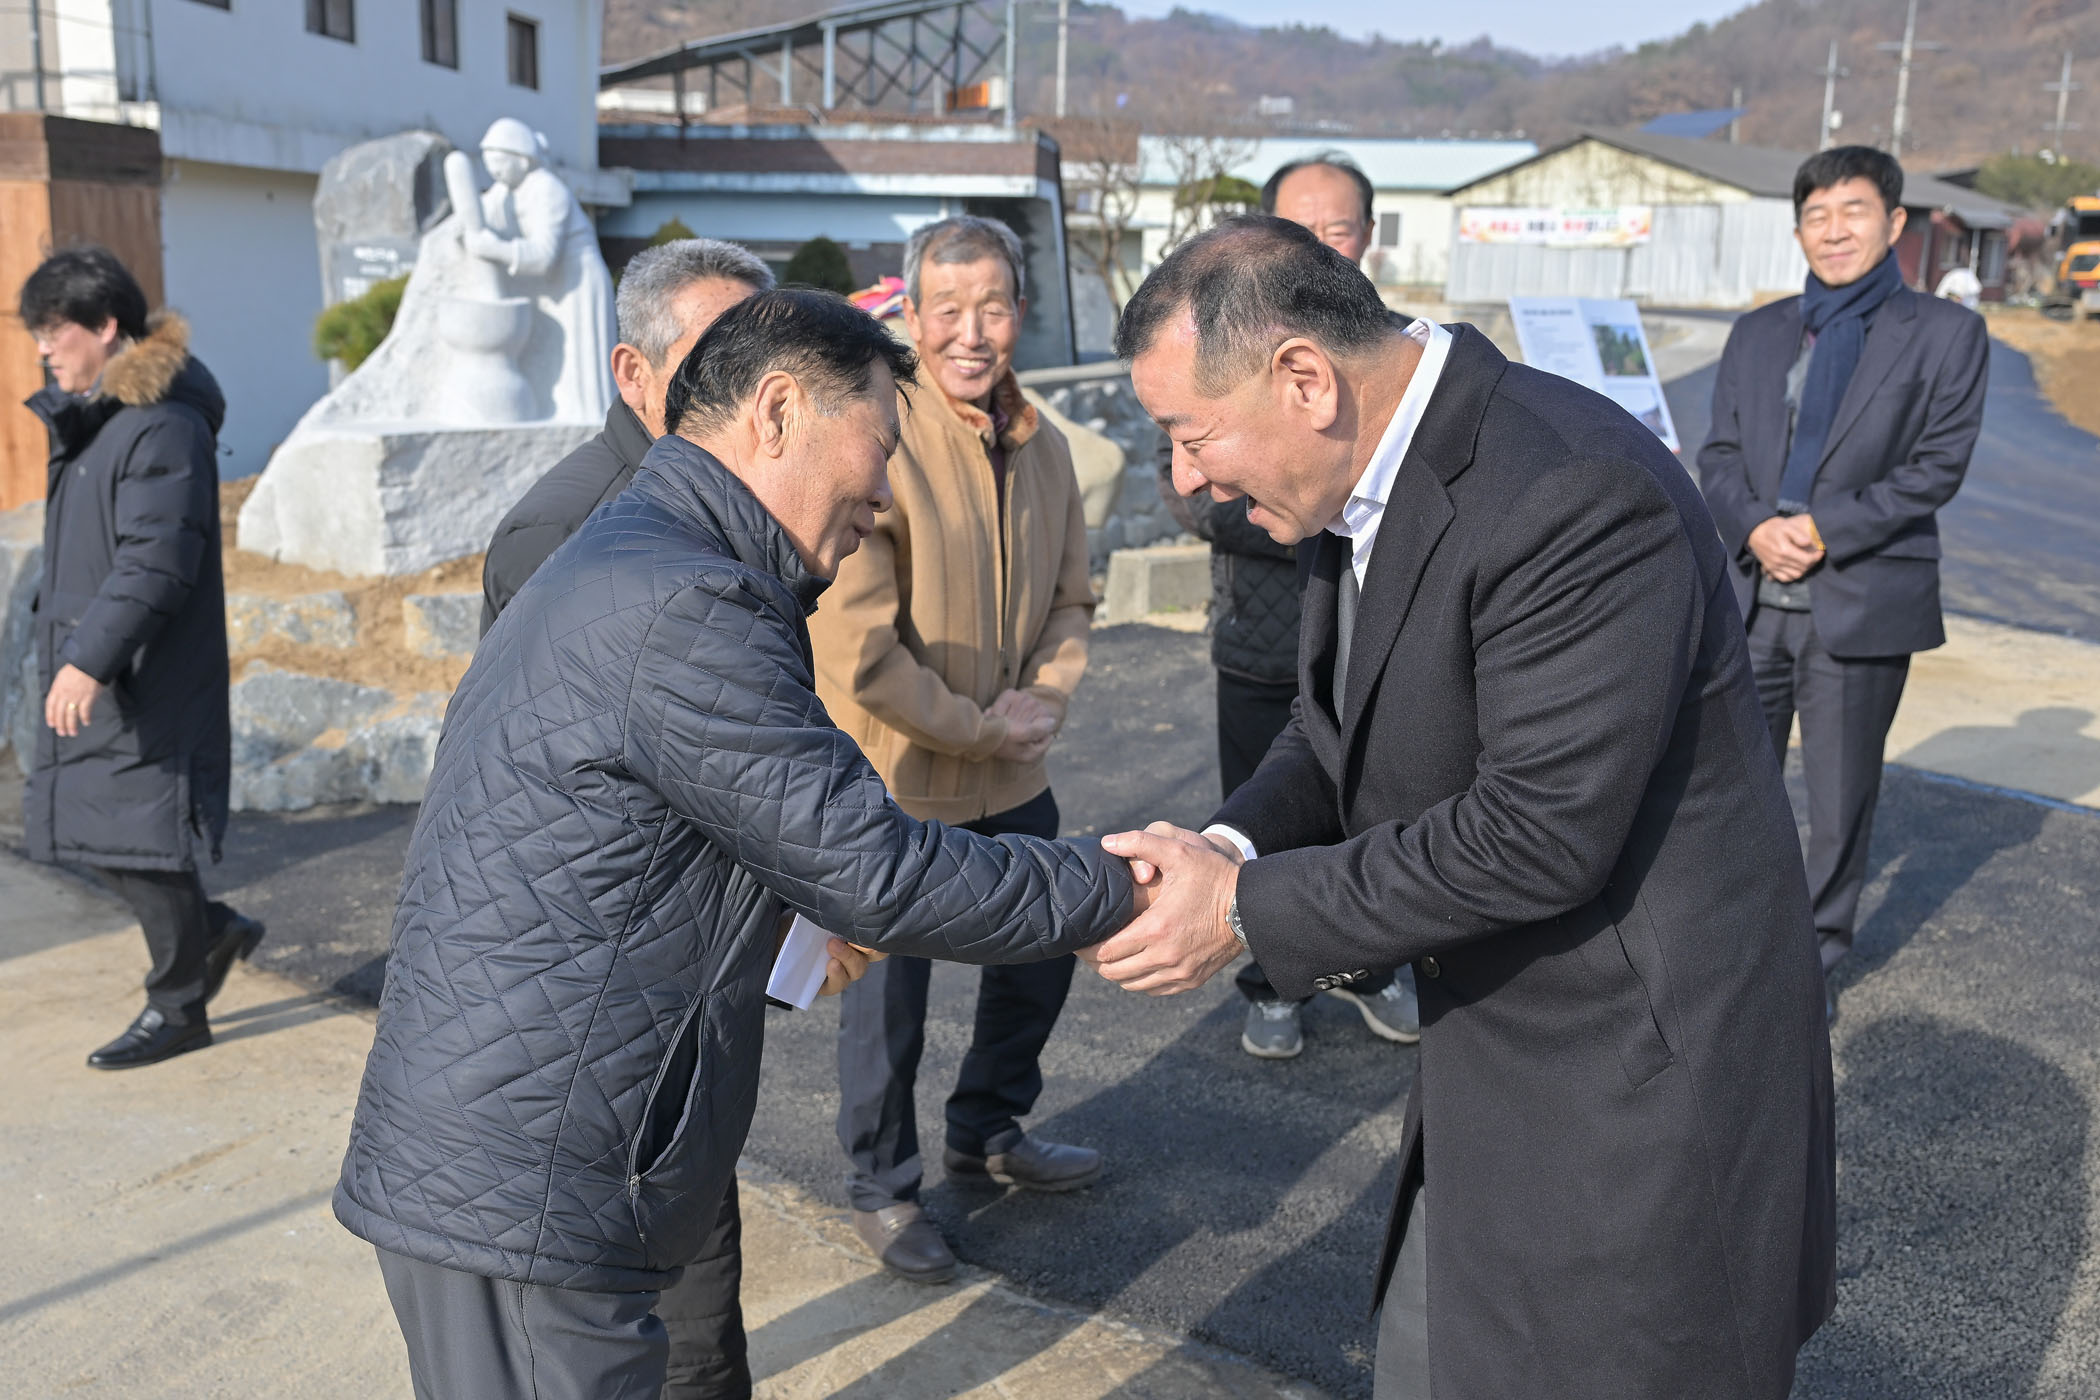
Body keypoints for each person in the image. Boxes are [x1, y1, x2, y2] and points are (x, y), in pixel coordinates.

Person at [334, 289, 1138, 1400]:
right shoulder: (690, 600)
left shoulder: (646, 554)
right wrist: (1122, 883)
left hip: (522, 1152)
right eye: (881, 444)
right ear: (778, 410)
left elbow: (622, 845)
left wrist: (786, 927)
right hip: (530, 1184)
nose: (886, 491)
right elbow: (877, 871)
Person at [1086, 216, 1835, 1398]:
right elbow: (1330, 727)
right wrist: (1224, 843)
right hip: (1492, 1063)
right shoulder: (1351, 484)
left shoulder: (1570, 488)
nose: (1187, 479)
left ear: (1304, 378)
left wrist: (1240, 908)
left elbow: (1536, 831)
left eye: (1191, 434)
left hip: (1629, 1090)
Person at [476, 235, 774, 1400]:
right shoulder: (571, 531)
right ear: (631, 370)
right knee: (662, 1321)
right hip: (598, 1007)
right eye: (710, 354)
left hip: (688, 984)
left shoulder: (730, 505)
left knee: (701, 1279)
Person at [806, 215, 1103, 1285]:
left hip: (1014, 764)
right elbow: (857, 649)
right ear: (913, 315)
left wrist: (1044, 699)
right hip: (898, 774)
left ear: (1019, 313)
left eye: (993, 308)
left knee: (1041, 951)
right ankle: (882, 1188)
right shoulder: (878, 436)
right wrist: (985, 725)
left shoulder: (1045, 444)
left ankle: (989, 1127)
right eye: (947, 309)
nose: (971, 332)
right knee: (886, 1001)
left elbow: (1073, 598)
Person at [1699, 146, 1988, 1018]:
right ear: (1798, 231)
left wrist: (1825, 529)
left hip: (1858, 600)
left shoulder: (1944, 334)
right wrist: (1755, 525)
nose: (1833, 231)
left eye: (1852, 212)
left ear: (1894, 223)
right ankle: (1731, 942)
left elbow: (1936, 468)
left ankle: (1812, 959)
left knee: (1838, 798)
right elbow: (1718, 455)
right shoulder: (1760, 333)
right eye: (1816, 216)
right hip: (1752, 599)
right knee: (1731, 788)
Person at [1179, 152, 1415, 1060]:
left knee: (1378, 809)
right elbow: (1197, 495)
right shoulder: (1213, 354)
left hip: (1374, 641)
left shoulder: (1392, 362)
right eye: (1295, 229)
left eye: (1337, 229)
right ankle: (1270, 984)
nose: (1318, 246)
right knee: (1260, 811)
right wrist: (1310, 505)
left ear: (1368, 238)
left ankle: (1374, 969)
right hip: (1260, 638)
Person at [18, 246, 264, 1070]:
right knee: (98, 831)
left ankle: (178, 1007)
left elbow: (156, 560)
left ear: (106, 326)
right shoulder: (103, 419)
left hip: (145, 673)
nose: (42, 349)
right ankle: (212, 932)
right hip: (110, 664)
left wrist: (88, 659)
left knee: (141, 839)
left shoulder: (162, 424)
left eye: (54, 330)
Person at [482, 238, 774, 632]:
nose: (753, 388)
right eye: (716, 362)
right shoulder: (559, 535)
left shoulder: (765, 486)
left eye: (764, 360)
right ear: (633, 374)